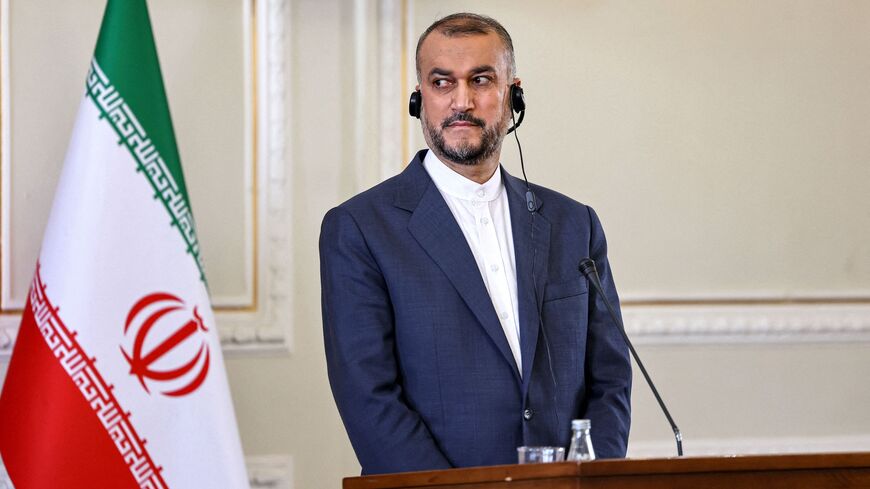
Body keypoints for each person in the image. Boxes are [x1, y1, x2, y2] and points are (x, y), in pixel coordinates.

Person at [320, 12, 631, 475]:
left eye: (481, 80)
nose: (461, 101)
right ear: (419, 97)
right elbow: (369, 398)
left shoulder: (574, 224)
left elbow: (610, 380)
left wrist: (591, 479)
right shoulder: (360, 229)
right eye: (442, 83)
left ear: (513, 94)